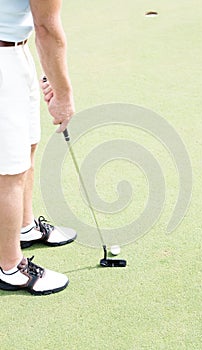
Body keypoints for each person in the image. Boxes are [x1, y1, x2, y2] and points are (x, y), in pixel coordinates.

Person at [0, 0, 76, 295]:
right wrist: (64, 96)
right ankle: (9, 266)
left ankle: (24, 227)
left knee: (27, 144)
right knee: (9, 170)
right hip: (4, 58)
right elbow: (46, 28)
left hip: (15, 50)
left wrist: (49, 74)